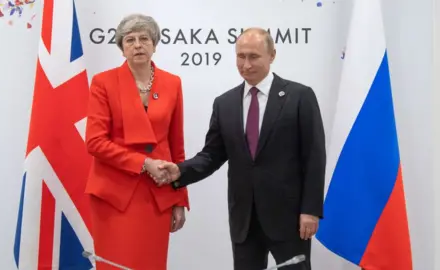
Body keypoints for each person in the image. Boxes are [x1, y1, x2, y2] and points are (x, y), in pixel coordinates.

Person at [157, 28, 326, 270]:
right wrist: (180, 172)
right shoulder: (224, 103)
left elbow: (314, 158)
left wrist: (310, 210)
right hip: (244, 219)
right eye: (240, 56)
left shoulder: (300, 97)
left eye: (253, 56)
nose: (245, 64)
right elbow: (212, 155)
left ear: (272, 55)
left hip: (289, 218)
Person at [84, 14, 189, 270]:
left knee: (150, 264)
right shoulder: (103, 82)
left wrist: (179, 198)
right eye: (129, 40)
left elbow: (177, 145)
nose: (138, 45)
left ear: (154, 43)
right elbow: (95, 142)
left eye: (144, 38)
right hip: (113, 194)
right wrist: (144, 163)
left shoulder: (172, 83)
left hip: (157, 195)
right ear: (122, 48)